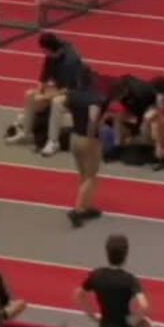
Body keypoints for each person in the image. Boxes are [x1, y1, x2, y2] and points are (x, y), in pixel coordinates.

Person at [5, 32, 87, 156]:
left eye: (43, 50)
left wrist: (47, 96)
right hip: (60, 88)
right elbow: (43, 77)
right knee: (30, 94)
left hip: (77, 92)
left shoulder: (71, 60)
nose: (42, 53)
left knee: (57, 102)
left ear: (49, 49)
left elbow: (71, 88)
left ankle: (53, 142)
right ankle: (25, 132)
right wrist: (39, 93)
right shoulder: (51, 55)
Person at [65, 63, 106, 228]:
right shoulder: (96, 98)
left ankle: (86, 206)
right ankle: (77, 210)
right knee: (91, 176)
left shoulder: (72, 95)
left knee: (83, 174)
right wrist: (92, 137)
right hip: (88, 139)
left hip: (74, 136)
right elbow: (92, 121)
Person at [105, 75, 159, 147]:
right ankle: (118, 144)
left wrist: (134, 133)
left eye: (119, 97)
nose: (118, 100)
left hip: (153, 103)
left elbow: (140, 114)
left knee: (145, 123)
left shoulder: (138, 93)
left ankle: (147, 146)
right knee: (118, 118)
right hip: (137, 103)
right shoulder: (121, 90)